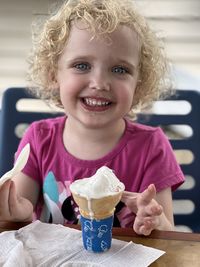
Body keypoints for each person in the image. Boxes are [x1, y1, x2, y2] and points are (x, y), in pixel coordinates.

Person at [0, 0, 184, 236]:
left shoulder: (152, 147)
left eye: (119, 69)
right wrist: (18, 216)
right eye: (82, 65)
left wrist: (155, 224)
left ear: (138, 84)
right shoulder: (38, 139)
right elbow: (18, 220)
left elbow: (168, 237)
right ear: (53, 73)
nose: (99, 83)